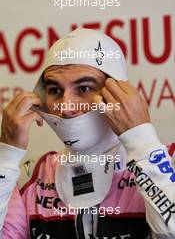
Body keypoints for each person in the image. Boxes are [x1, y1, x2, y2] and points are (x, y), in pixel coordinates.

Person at [0, 28, 175, 239]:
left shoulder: (169, 162)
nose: (66, 107)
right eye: (55, 90)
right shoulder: (34, 175)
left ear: (119, 93)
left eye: (83, 88)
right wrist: (6, 157)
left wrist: (141, 140)